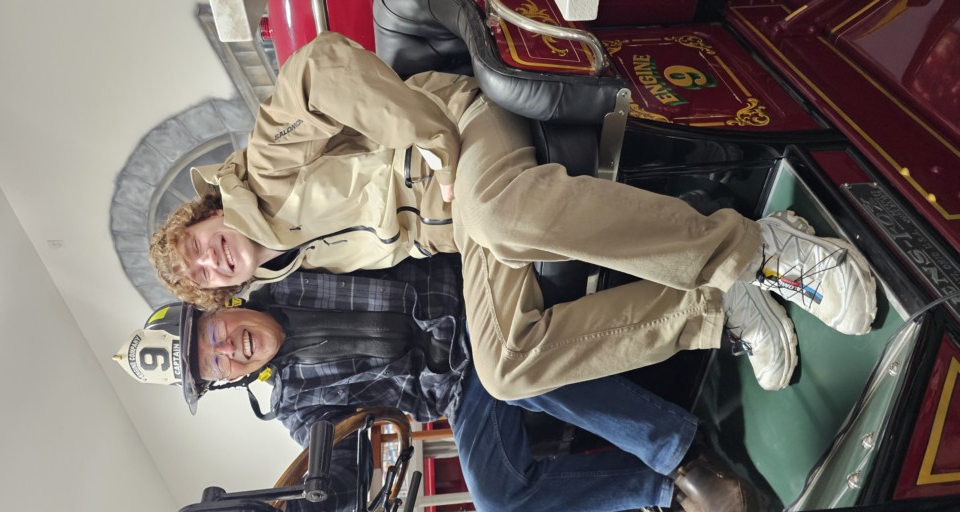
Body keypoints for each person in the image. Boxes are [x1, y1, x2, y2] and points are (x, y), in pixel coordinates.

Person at [148, 31, 877, 398]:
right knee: (503, 368)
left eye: (200, 244)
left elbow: (318, 66)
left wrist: (432, 144)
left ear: (208, 215)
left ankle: (762, 248)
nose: (211, 259)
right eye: (204, 274)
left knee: (498, 217)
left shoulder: (264, 170)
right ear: (225, 290)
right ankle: (715, 304)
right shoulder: (293, 264)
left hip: (461, 131)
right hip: (465, 225)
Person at [115, 255, 762, 512]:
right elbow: (340, 461)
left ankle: (684, 454)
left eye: (213, 335)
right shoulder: (293, 404)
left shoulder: (287, 268)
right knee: (499, 502)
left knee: (507, 367)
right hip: (457, 389)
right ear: (226, 382)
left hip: (468, 303)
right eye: (214, 367)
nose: (227, 350)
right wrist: (316, 503)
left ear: (221, 307)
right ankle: (666, 489)